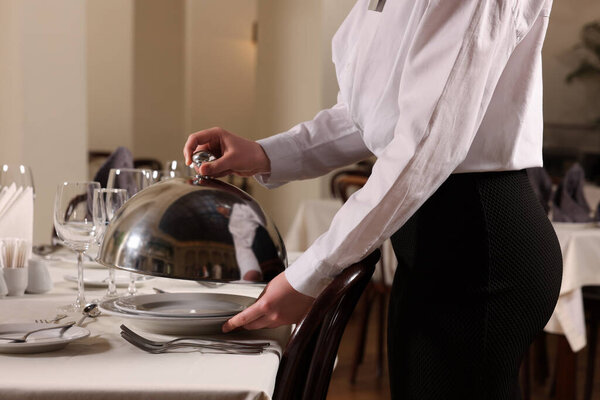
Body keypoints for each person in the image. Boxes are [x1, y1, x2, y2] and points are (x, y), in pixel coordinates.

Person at [183, 0, 562, 398]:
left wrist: (312, 274)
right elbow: (367, 116)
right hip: (431, 246)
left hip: (482, 249)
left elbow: (425, 145)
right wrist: (264, 153)